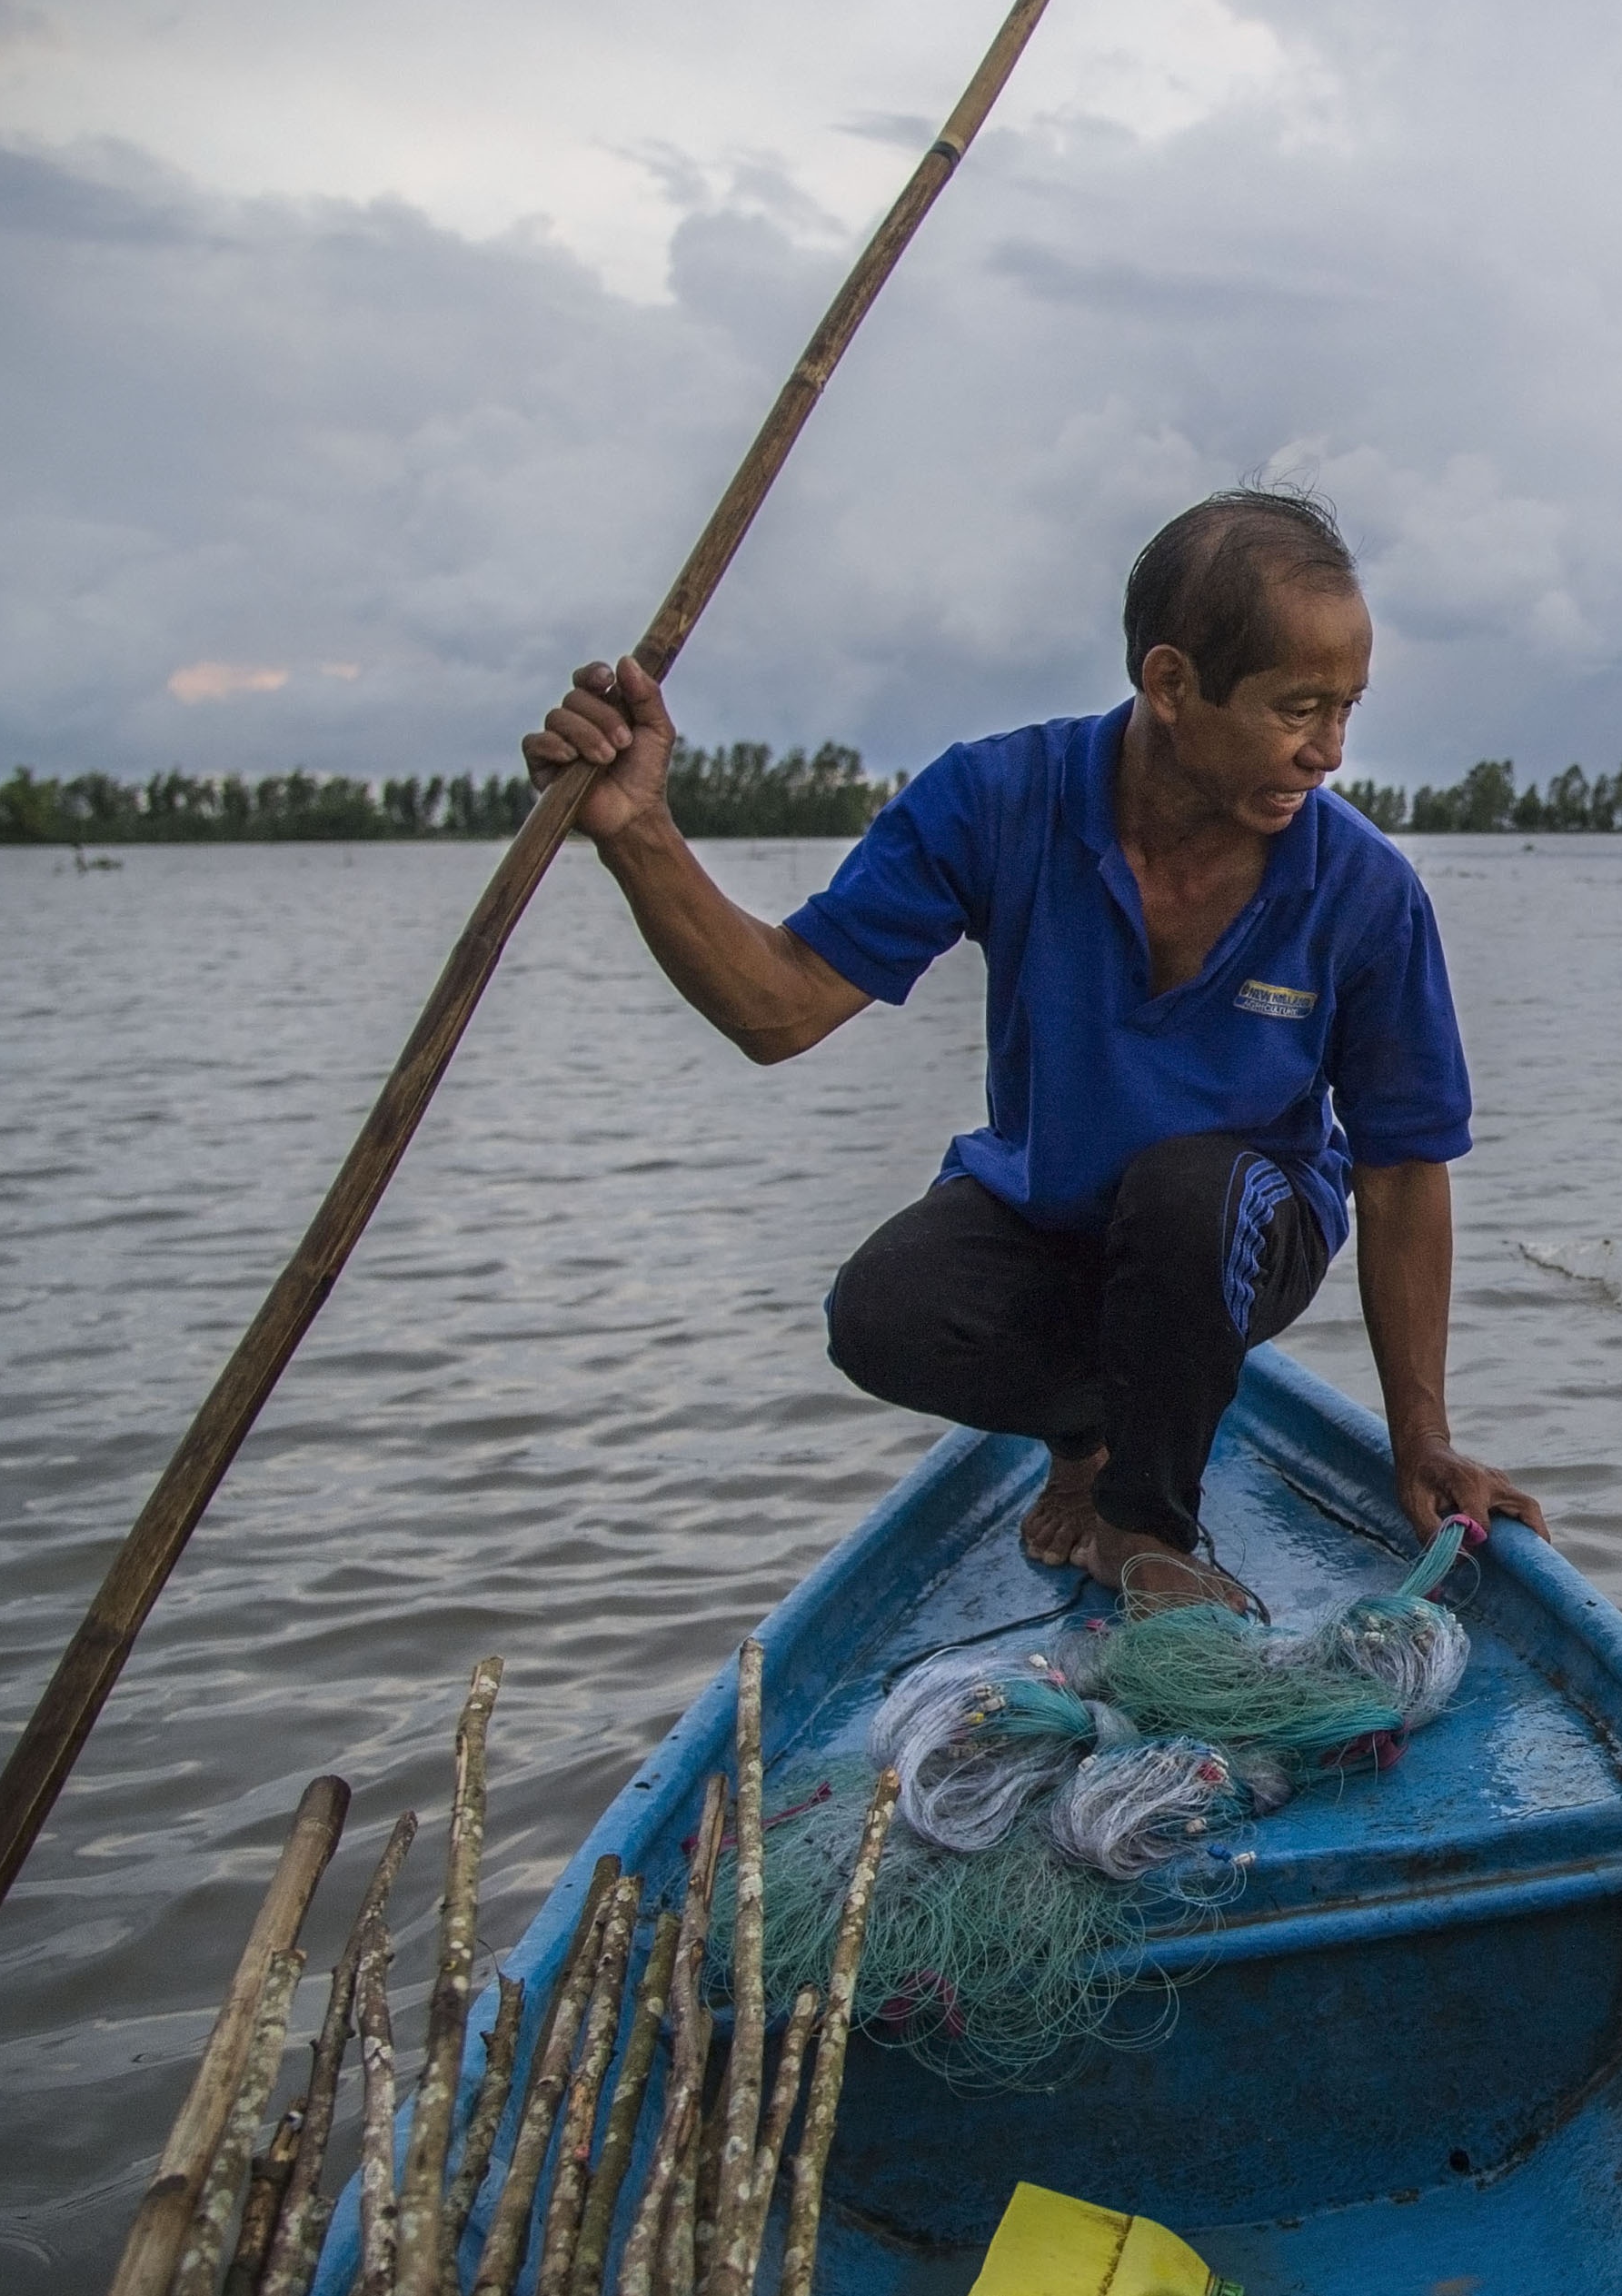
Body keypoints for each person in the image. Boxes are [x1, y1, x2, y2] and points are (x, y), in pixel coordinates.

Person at [522, 487, 1547, 1605]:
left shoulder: (1365, 890)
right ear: (1169, 686)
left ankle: (1146, 1531)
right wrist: (639, 836)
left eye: (1349, 707)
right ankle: (1091, 1430)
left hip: (1244, 1226)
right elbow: (782, 1005)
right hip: (1053, 1213)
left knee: (1186, 1189)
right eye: (1298, 708)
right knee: (883, 1311)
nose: (1331, 753)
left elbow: (1401, 1172)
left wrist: (1423, 1438)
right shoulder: (1000, 798)